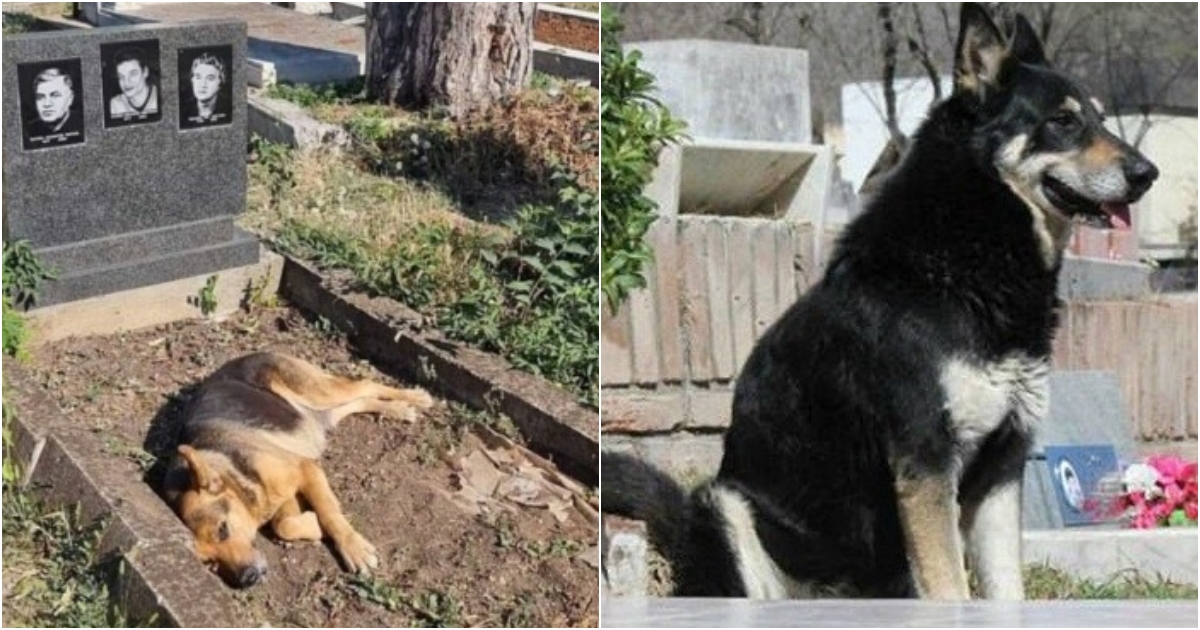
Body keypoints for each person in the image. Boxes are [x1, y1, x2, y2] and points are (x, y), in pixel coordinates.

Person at [27, 67, 82, 139]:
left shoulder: (84, 124)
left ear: (70, 99)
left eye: (55, 96)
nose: (47, 104)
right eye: (40, 97)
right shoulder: (28, 130)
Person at [108, 47, 158, 118]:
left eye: (133, 74)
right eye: (121, 77)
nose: (126, 82)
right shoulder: (115, 104)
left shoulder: (160, 97)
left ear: (145, 72)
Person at [182, 52, 227, 125]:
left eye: (210, 78)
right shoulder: (183, 110)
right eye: (198, 77)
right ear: (192, 79)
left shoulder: (229, 108)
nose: (203, 84)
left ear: (221, 81)